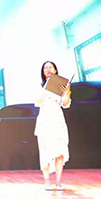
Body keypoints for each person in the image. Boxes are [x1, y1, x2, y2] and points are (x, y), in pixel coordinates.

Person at [34, 61, 71, 191]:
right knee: (45, 151)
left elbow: (65, 104)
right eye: (46, 68)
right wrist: (47, 86)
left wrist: (68, 91)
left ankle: (58, 182)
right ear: (43, 72)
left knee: (60, 151)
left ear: (55, 70)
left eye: (51, 67)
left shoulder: (61, 85)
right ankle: (47, 181)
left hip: (57, 120)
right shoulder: (40, 86)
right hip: (45, 120)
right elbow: (37, 102)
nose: (48, 69)